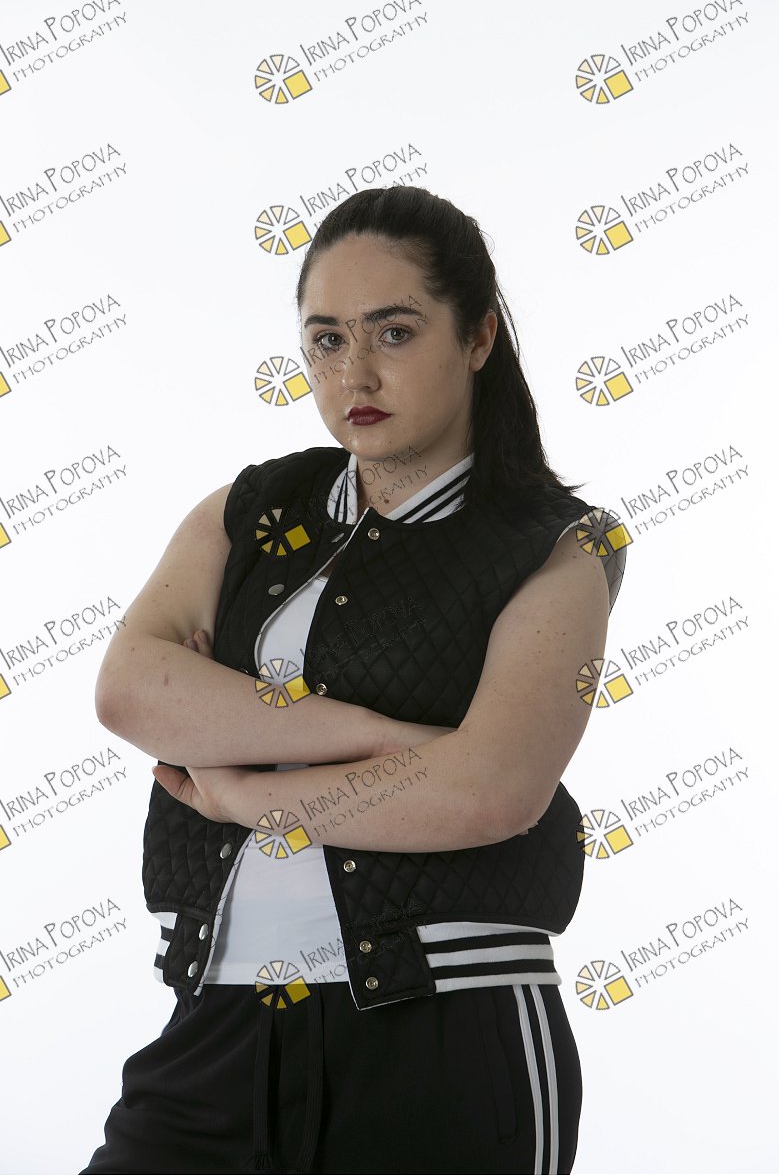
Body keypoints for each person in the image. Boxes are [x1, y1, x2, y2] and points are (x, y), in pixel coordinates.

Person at [79, 186, 627, 1175]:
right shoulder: (250, 511)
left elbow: (492, 794)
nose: (355, 373)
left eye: (394, 332)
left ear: (477, 338)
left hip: (445, 1037)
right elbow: (131, 692)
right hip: (214, 1029)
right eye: (326, 339)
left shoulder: (556, 546)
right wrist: (394, 743)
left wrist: (241, 790)